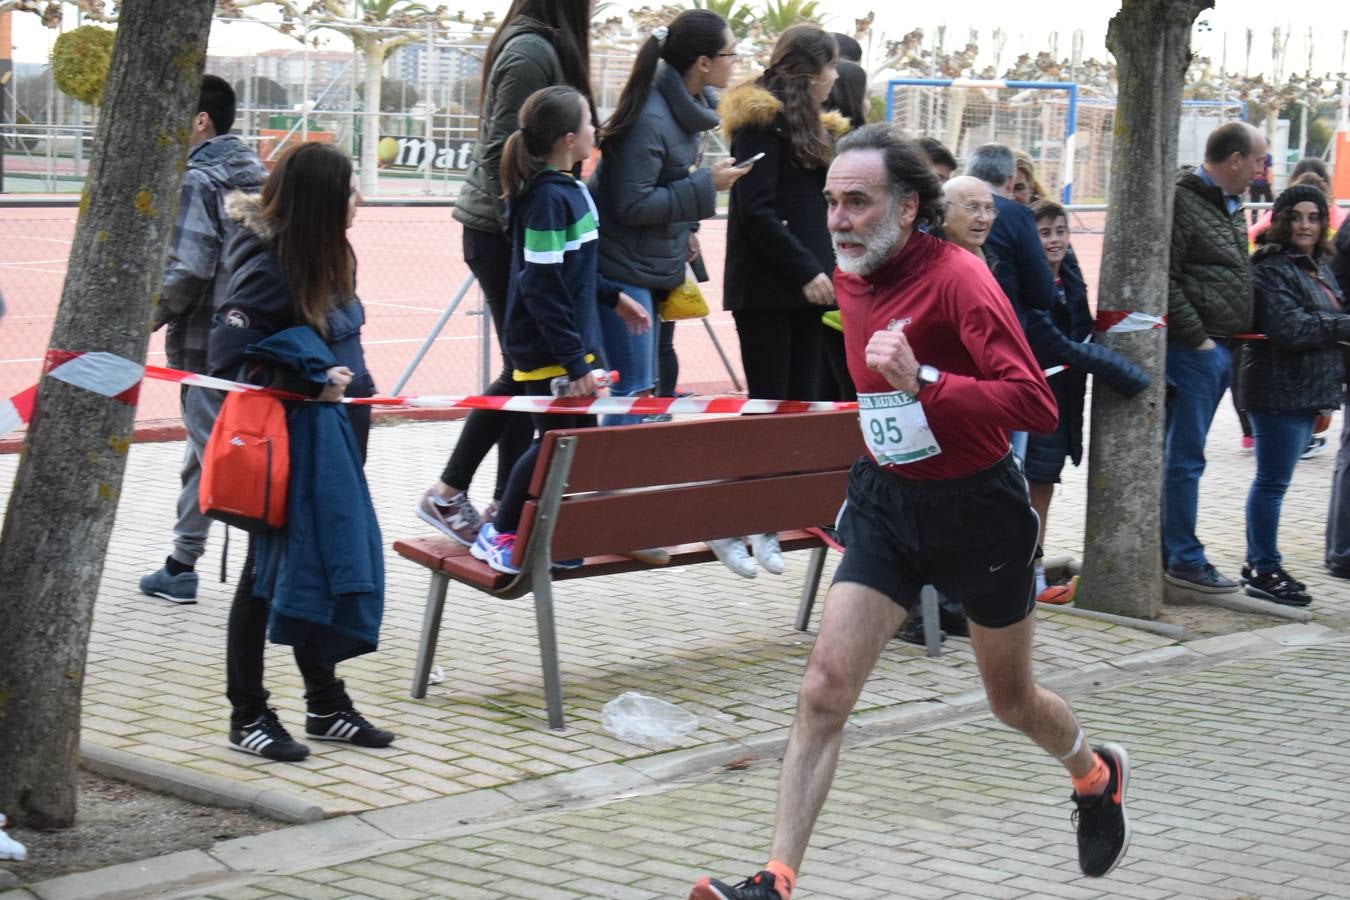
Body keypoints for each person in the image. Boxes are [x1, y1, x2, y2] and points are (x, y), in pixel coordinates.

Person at [687, 124, 1130, 900]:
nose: (838, 219)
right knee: (824, 687)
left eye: (856, 202)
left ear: (908, 206)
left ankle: (1095, 774)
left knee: (1010, 700)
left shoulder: (961, 279)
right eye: (831, 203)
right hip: (888, 502)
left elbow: (1031, 401)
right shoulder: (850, 272)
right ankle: (775, 878)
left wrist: (923, 377)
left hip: (979, 508)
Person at [212, 142, 391, 762]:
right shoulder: (268, 265)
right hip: (287, 452)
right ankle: (248, 715)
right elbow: (226, 356)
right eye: (348, 189)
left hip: (337, 446)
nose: (358, 199)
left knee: (315, 571)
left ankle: (324, 704)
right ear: (320, 200)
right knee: (261, 580)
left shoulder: (332, 253)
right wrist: (308, 375)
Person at [419, 0, 594, 547]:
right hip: (503, 235)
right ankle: (460, 498)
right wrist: (527, 231)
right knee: (525, 374)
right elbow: (502, 148)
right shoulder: (529, 48)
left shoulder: (543, 44)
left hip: (517, 233)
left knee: (522, 376)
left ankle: (497, 508)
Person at [714, 24, 844, 578]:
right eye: (831, 67)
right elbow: (756, 209)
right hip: (769, 292)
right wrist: (806, 270)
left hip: (813, 293)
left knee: (802, 404)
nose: (836, 78)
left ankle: (775, 518)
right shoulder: (758, 122)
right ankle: (737, 520)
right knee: (768, 405)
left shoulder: (818, 127)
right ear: (812, 70)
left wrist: (831, 269)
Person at [138, 75, 266, 604]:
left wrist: (140, 320)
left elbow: (187, 268)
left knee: (223, 451)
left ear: (200, 120)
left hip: (207, 345)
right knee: (210, 448)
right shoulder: (260, 174)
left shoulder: (198, 178)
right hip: (259, 337)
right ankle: (182, 563)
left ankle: (277, 562)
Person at [471, 86, 607, 574]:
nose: (597, 128)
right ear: (570, 139)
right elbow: (542, 285)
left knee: (577, 445)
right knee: (555, 444)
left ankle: (550, 536)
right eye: (591, 121)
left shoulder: (570, 192)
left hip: (570, 344)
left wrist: (614, 297)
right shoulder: (548, 200)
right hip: (547, 350)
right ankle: (500, 530)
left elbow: (576, 271)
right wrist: (574, 362)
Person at [589, 10, 742, 431]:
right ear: (703, 63)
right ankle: (603, 490)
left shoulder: (682, 111)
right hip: (622, 267)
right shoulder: (652, 118)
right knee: (632, 390)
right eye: (731, 53)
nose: (736, 61)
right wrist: (706, 186)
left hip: (644, 263)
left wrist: (689, 220)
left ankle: (610, 487)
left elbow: (664, 184)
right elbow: (631, 204)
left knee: (639, 386)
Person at [1024, 200, 1149, 603]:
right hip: (1037, 398)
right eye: (1045, 232)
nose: (1055, 239)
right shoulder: (1027, 285)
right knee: (1034, 488)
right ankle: (1031, 575)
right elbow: (1058, 345)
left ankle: (1032, 569)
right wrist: (1125, 372)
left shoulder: (1071, 279)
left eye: (1061, 230)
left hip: (1065, 398)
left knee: (1043, 486)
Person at [1163, 121, 1266, 593]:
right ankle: (1182, 558)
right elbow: (1165, 276)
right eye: (1259, 159)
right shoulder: (1187, 202)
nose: (1263, 169)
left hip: (1216, 348)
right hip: (1194, 352)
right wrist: (1199, 340)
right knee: (1184, 458)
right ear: (1235, 160)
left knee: (1184, 457)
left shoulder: (1226, 205)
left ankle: (1175, 550)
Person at [1238, 185, 1349, 605]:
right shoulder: (1270, 266)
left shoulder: (1318, 264)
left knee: (1275, 482)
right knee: (1271, 482)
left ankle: (1260, 562)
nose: (1305, 225)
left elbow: (1315, 320)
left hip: (1304, 389)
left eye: (1313, 217)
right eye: (1297, 216)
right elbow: (1291, 328)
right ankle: (1264, 567)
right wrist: (1342, 326)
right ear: (1281, 220)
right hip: (1278, 387)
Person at [1248, 145, 1274, 223]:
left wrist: (1249, 184)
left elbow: (1250, 169)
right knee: (1269, 204)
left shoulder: (1253, 156)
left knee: (1254, 205)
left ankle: (1254, 222)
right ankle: (1267, 221)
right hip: (1265, 183)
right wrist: (1272, 185)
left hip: (1254, 183)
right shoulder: (1268, 156)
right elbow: (1269, 170)